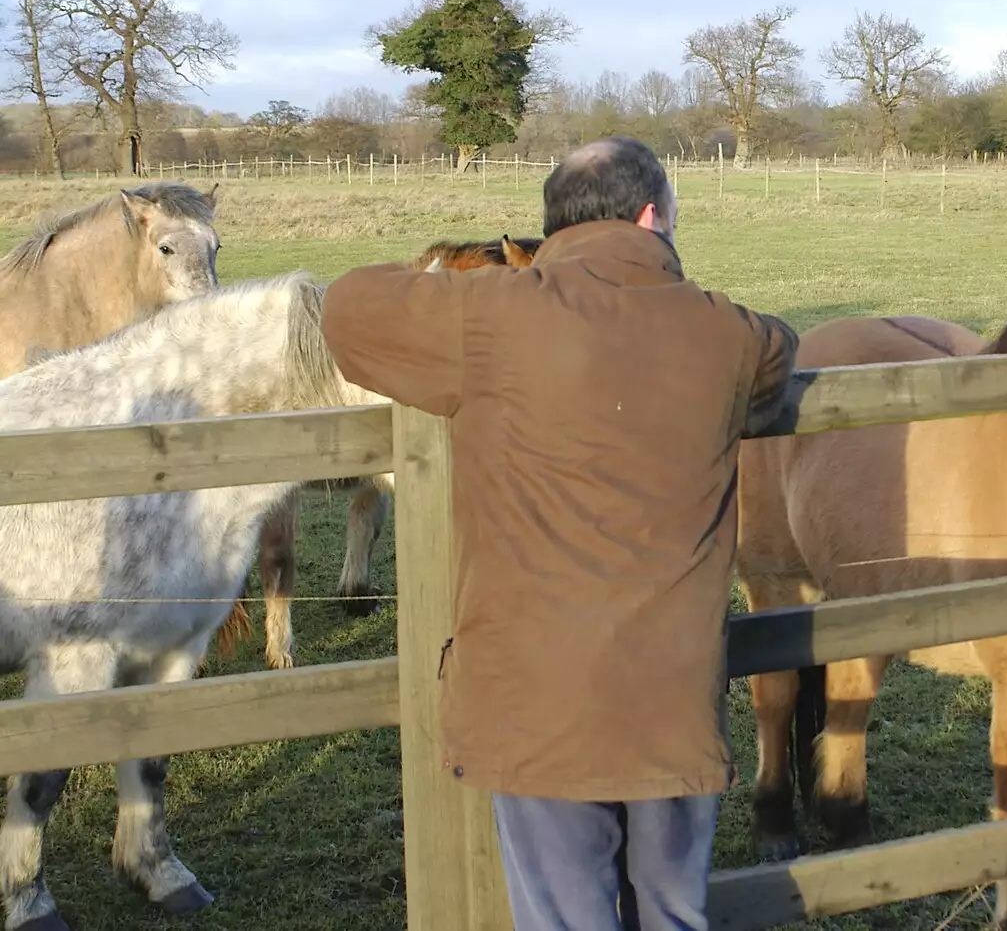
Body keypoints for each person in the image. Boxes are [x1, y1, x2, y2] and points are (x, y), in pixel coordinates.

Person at [319, 137, 800, 931]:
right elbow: (781, 350)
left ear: (554, 226)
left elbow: (348, 306)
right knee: (674, 913)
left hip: (537, 705)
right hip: (672, 701)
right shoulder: (729, 333)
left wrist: (475, 272)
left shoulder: (490, 316)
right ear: (653, 217)